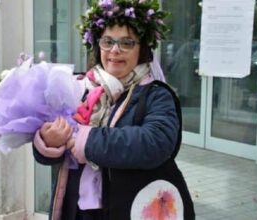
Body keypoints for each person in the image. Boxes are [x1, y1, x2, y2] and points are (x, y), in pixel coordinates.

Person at [32, 0, 195, 219]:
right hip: (75, 210)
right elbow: (49, 156)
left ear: (142, 49)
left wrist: (85, 140)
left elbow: (156, 142)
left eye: (126, 42)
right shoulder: (77, 87)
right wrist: (48, 140)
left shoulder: (156, 94)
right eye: (108, 41)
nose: (115, 50)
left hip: (124, 209)